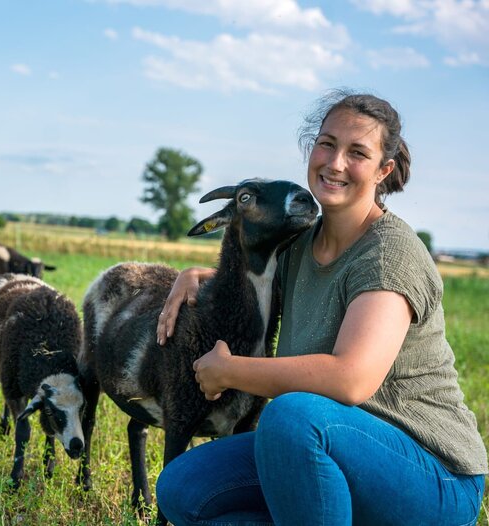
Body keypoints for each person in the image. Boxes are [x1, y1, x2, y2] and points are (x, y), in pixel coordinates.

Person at [153, 90, 487, 526]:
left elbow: (350, 380)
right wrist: (191, 275)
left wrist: (230, 370)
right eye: (327, 144)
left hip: (429, 474)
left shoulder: (389, 254)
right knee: (184, 486)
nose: (334, 163)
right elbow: (250, 280)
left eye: (357, 153)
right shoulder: (299, 247)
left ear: (384, 170)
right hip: (328, 449)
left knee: (292, 415)